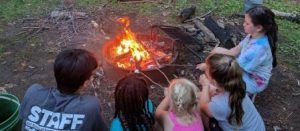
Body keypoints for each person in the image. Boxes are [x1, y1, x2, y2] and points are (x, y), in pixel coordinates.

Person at [19, 49, 108, 131]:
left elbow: (22, 119)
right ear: (85, 83)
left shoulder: (33, 92)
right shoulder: (90, 106)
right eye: (91, 75)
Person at [201, 6, 278, 95]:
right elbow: (234, 51)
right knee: (218, 55)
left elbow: (235, 69)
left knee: (218, 79)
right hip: (243, 67)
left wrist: (209, 68)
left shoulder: (257, 50)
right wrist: (217, 51)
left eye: (247, 23)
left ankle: (222, 95)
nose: (243, 24)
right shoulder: (253, 36)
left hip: (253, 81)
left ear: (258, 28)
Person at [199, 53, 265, 131]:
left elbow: (203, 106)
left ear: (215, 82)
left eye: (206, 73)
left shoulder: (220, 104)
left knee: (200, 108)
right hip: (256, 128)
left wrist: (205, 85)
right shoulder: (238, 86)